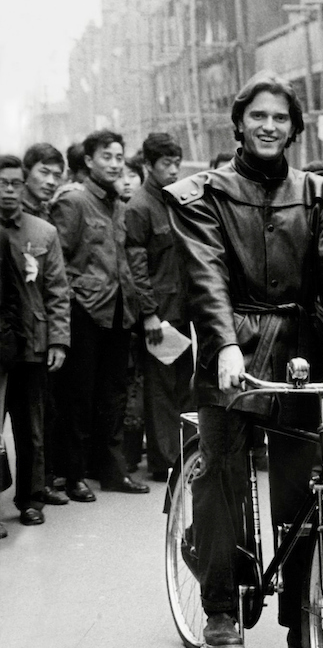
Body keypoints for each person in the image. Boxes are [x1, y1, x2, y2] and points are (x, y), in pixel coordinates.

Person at [165, 72, 323, 648]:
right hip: (228, 346)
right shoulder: (199, 194)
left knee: (305, 489)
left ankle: (302, 623)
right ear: (239, 122)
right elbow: (205, 276)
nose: (268, 126)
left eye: (280, 118)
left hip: (300, 352)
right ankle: (219, 607)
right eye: (258, 115)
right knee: (222, 474)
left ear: (294, 129)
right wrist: (226, 344)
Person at [50, 129, 147, 501]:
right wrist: (79, 296)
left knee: (114, 395)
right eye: (106, 156)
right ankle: (72, 475)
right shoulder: (73, 202)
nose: (114, 164)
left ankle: (112, 471)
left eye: (119, 157)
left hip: (120, 312)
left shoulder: (121, 204)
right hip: (85, 313)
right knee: (78, 396)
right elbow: (56, 262)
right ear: (88, 162)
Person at [0, 154, 67, 526]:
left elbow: (58, 290)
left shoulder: (42, 232)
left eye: (14, 183)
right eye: (2, 183)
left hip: (32, 343)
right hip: (0, 345)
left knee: (31, 429)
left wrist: (58, 340)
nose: (9, 191)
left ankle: (30, 499)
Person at [125, 132, 191, 482]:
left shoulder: (172, 201)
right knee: (161, 390)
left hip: (180, 309)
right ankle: (164, 461)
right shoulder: (140, 207)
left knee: (183, 385)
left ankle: (181, 456)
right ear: (148, 165)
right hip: (159, 314)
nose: (173, 169)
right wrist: (148, 313)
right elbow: (136, 267)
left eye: (177, 162)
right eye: (166, 163)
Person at [20, 144, 64, 220]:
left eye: (57, 176)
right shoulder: (10, 210)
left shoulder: (49, 214)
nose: (51, 182)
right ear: (26, 172)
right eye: (44, 172)